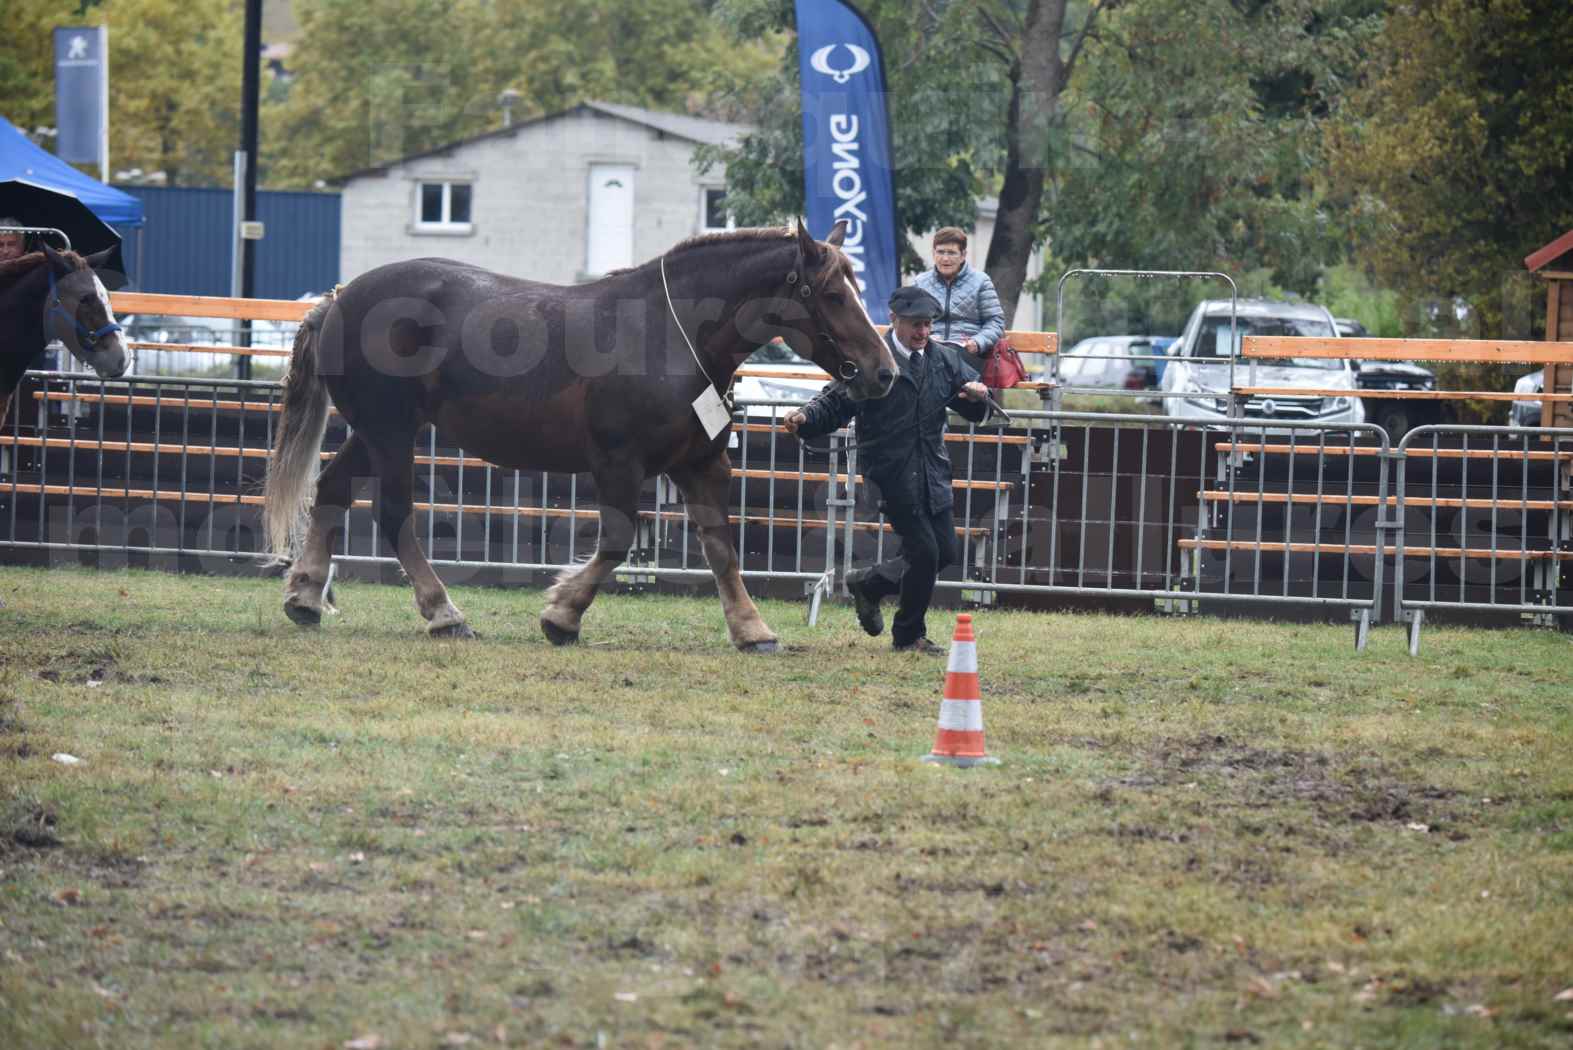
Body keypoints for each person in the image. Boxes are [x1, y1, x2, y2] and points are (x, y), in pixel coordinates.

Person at [784, 286, 990, 653]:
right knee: (925, 552)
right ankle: (909, 636)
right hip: (891, 473)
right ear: (894, 319)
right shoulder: (871, 360)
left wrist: (978, 396)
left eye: (927, 324)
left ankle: (871, 584)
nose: (923, 332)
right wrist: (804, 418)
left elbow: (975, 408)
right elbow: (834, 402)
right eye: (915, 324)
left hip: (933, 471)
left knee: (944, 553)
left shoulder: (943, 358)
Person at [912, 226, 1005, 359]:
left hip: (968, 356)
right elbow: (909, 320)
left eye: (951, 253)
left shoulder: (981, 281)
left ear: (963, 256)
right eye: (940, 252)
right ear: (933, 253)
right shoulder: (921, 282)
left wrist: (978, 342)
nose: (945, 258)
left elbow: (996, 322)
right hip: (929, 353)